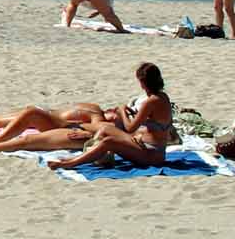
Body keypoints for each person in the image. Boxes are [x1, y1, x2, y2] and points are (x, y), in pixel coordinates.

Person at [47, 63, 176, 170]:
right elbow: (149, 121)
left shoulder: (151, 101)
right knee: (105, 129)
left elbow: (130, 128)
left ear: (143, 82)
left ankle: (71, 163)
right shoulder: (162, 96)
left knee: (109, 142)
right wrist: (129, 113)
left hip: (151, 154)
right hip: (143, 144)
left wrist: (122, 111)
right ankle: (88, 155)